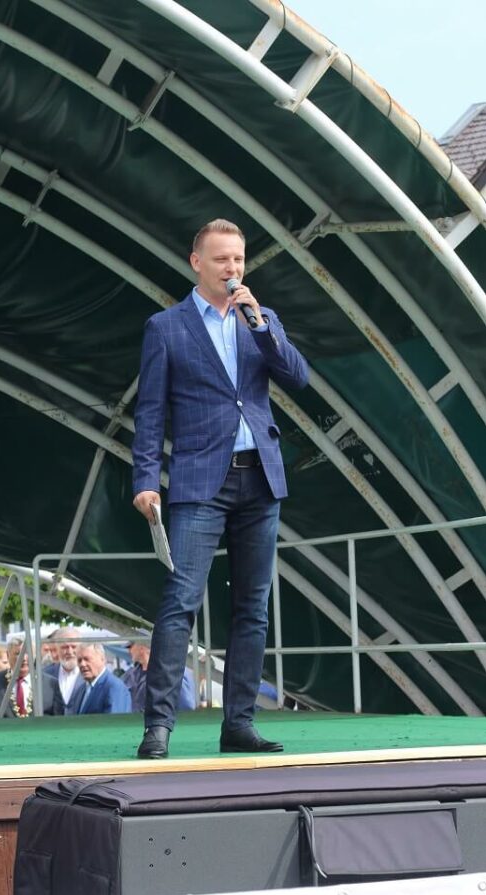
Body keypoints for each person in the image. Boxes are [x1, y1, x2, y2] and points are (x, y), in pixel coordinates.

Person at [131, 218, 309, 758]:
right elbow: (150, 412)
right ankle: (158, 727)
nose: (232, 268)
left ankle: (239, 724)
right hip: (199, 481)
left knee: (253, 607)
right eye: (221, 259)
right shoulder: (166, 327)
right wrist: (145, 480)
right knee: (180, 601)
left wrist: (263, 327)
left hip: (261, 476)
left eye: (238, 259)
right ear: (196, 263)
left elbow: (298, 377)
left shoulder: (261, 319)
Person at [122, 635, 197, 714]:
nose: (128, 651)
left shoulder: (172, 672)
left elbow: (186, 707)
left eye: (130, 647)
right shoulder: (130, 675)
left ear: (141, 647)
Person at [75, 643, 132, 715]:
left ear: (103, 659)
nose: (82, 664)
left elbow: (115, 720)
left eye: (87, 659)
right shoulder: (81, 689)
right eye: (79, 660)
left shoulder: (114, 687)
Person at [45, 627, 86, 715]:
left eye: (74, 647)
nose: (69, 651)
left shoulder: (90, 674)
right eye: (64, 647)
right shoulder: (45, 674)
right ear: (57, 649)